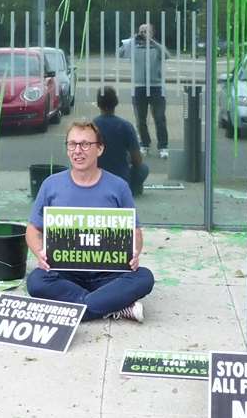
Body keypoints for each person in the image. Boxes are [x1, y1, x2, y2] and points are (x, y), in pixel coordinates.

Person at [25, 120, 154, 321]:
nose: (78, 150)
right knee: (36, 281)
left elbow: (135, 231)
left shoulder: (118, 186)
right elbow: (33, 229)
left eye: (85, 144)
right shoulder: (51, 185)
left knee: (144, 277)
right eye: (72, 144)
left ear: (100, 149)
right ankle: (110, 306)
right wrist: (39, 253)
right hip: (65, 273)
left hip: (109, 275)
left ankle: (78, 306)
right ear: (67, 149)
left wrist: (134, 252)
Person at [118, 22, 169, 159]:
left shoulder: (157, 48)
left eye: (146, 31)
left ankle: (163, 146)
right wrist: (132, 39)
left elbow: (167, 55)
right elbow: (120, 53)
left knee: (159, 118)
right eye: (141, 31)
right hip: (139, 87)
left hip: (156, 87)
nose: (143, 34)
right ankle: (144, 144)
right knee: (140, 120)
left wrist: (151, 41)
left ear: (152, 33)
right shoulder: (133, 47)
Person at [92, 85, 147, 197]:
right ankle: (132, 191)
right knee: (143, 168)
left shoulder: (91, 126)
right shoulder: (126, 126)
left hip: (96, 178)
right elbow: (137, 160)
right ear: (116, 103)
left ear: (98, 104)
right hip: (120, 179)